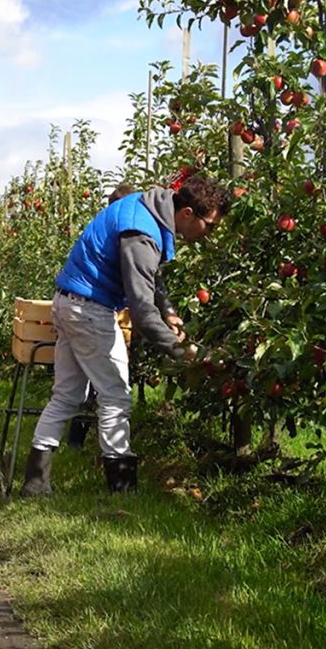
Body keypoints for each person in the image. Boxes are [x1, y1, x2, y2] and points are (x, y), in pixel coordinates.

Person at [20, 175, 231, 495]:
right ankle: (121, 487)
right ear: (187, 213)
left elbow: (150, 274)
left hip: (69, 302)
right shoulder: (141, 233)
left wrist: (169, 310)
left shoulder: (148, 207)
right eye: (210, 225)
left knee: (67, 395)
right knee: (116, 396)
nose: (210, 234)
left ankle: (35, 483)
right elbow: (142, 312)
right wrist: (182, 353)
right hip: (89, 310)